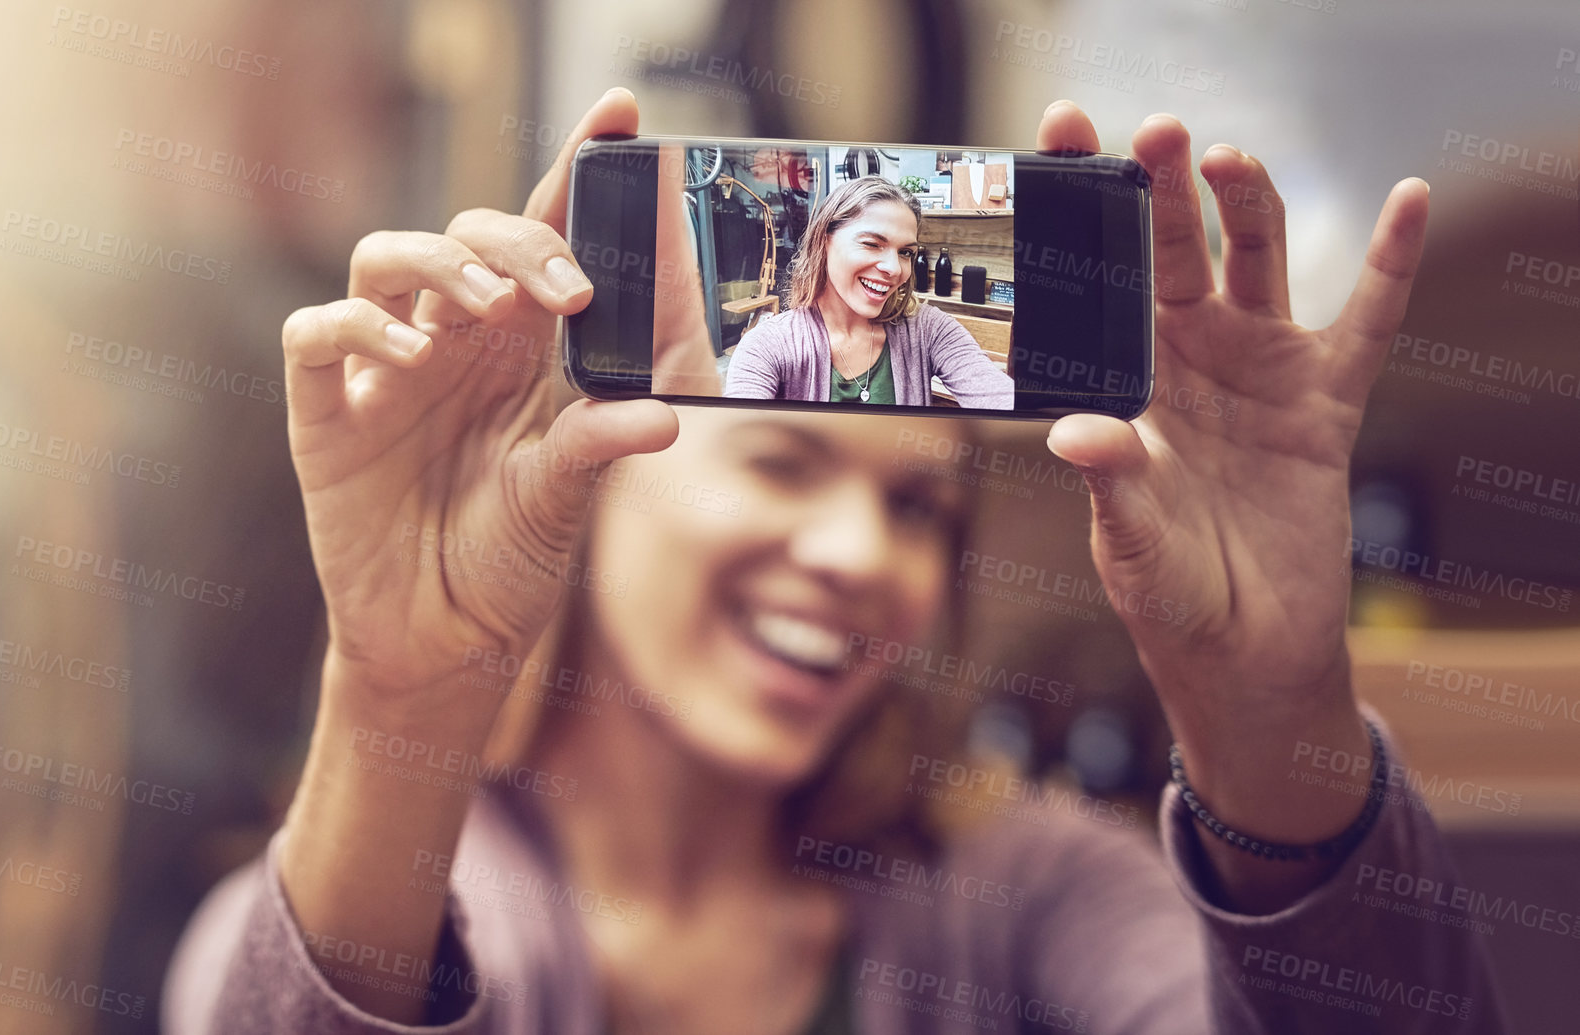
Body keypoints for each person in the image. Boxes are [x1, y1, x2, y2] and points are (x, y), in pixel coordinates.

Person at [161, 89, 1508, 1034]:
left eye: (919, 512)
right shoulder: (396, 900)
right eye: (783, 462)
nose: (864, 555)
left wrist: (1271, 710)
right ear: (593, 469)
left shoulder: (1021, 894)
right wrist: (400, 690)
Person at [723, 175, 1015, 409]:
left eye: (906, 252)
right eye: (872, 244)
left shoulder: (927, 329)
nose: (894, 268)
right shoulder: (769, 346)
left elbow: (998, 396)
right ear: (824, 241)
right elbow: (739, 446)